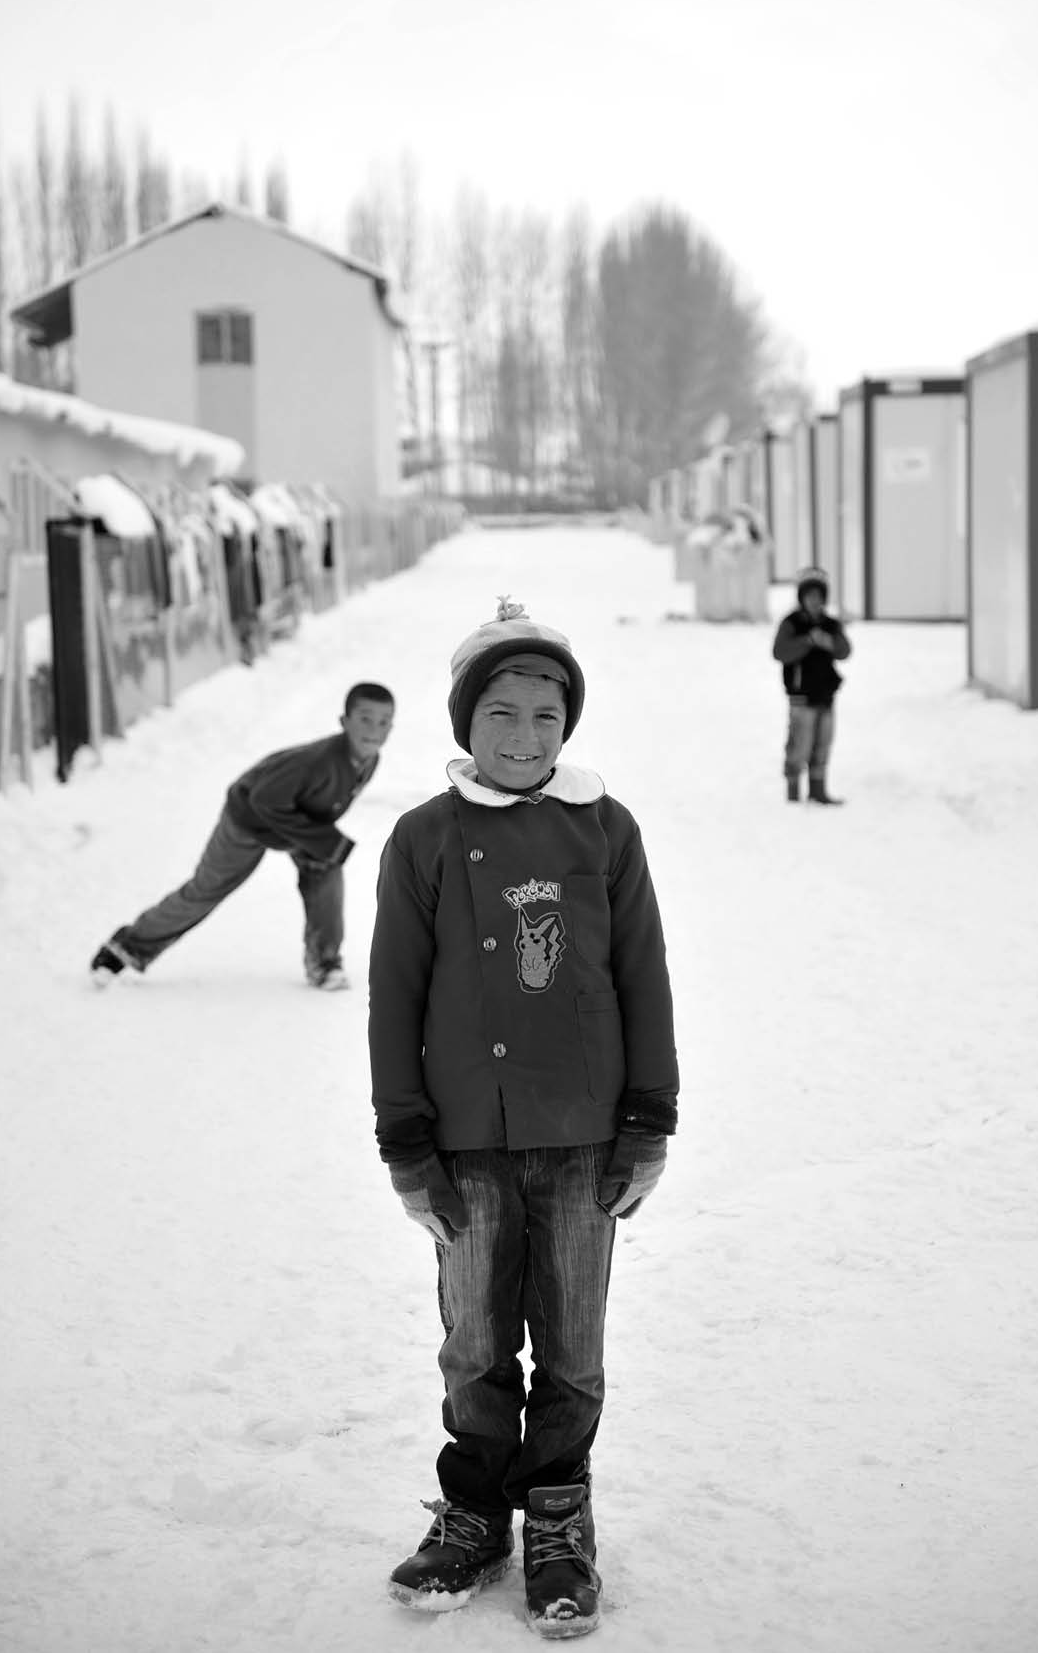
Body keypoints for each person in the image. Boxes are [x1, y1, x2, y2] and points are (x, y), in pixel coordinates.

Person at [368, 597, 678, 1640]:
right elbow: (393, 998)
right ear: (465, 720)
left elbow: (643, 977)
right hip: (464, 1143)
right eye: (501, 712)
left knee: (575, 1342)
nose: (524, 736)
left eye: (547, 716)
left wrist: (651, 1117)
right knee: (475, 1342)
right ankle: (472, 1513)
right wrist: (405, 1141)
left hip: (586, 1136)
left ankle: (557, 1515)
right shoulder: (423, 836)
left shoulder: (605, 827)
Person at [89, 681, 395, 989]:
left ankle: (325, 963)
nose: (374, 730)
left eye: (384, 722)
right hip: (248, 819)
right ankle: (125, 948)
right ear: (344, 722)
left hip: (295, 822)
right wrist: (324, 839)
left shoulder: (369, 760)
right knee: (206, 888)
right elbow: (263, 799)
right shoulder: (316, 760)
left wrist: (321, 843)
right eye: (365, 719)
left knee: (327, 869)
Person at [771, 566, 852, 804]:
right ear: (802, 597)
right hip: (801, 696)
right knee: (799, 743)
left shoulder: (830, 624)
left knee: (823, 743)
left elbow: (844, 651)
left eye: (819, 596)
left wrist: (828, 642)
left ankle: (818, 789)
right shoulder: (792, 623)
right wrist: (806, 641)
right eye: (810, 596)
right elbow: (779, 652)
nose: (814, 601)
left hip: (825, 694)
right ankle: (793, 791)